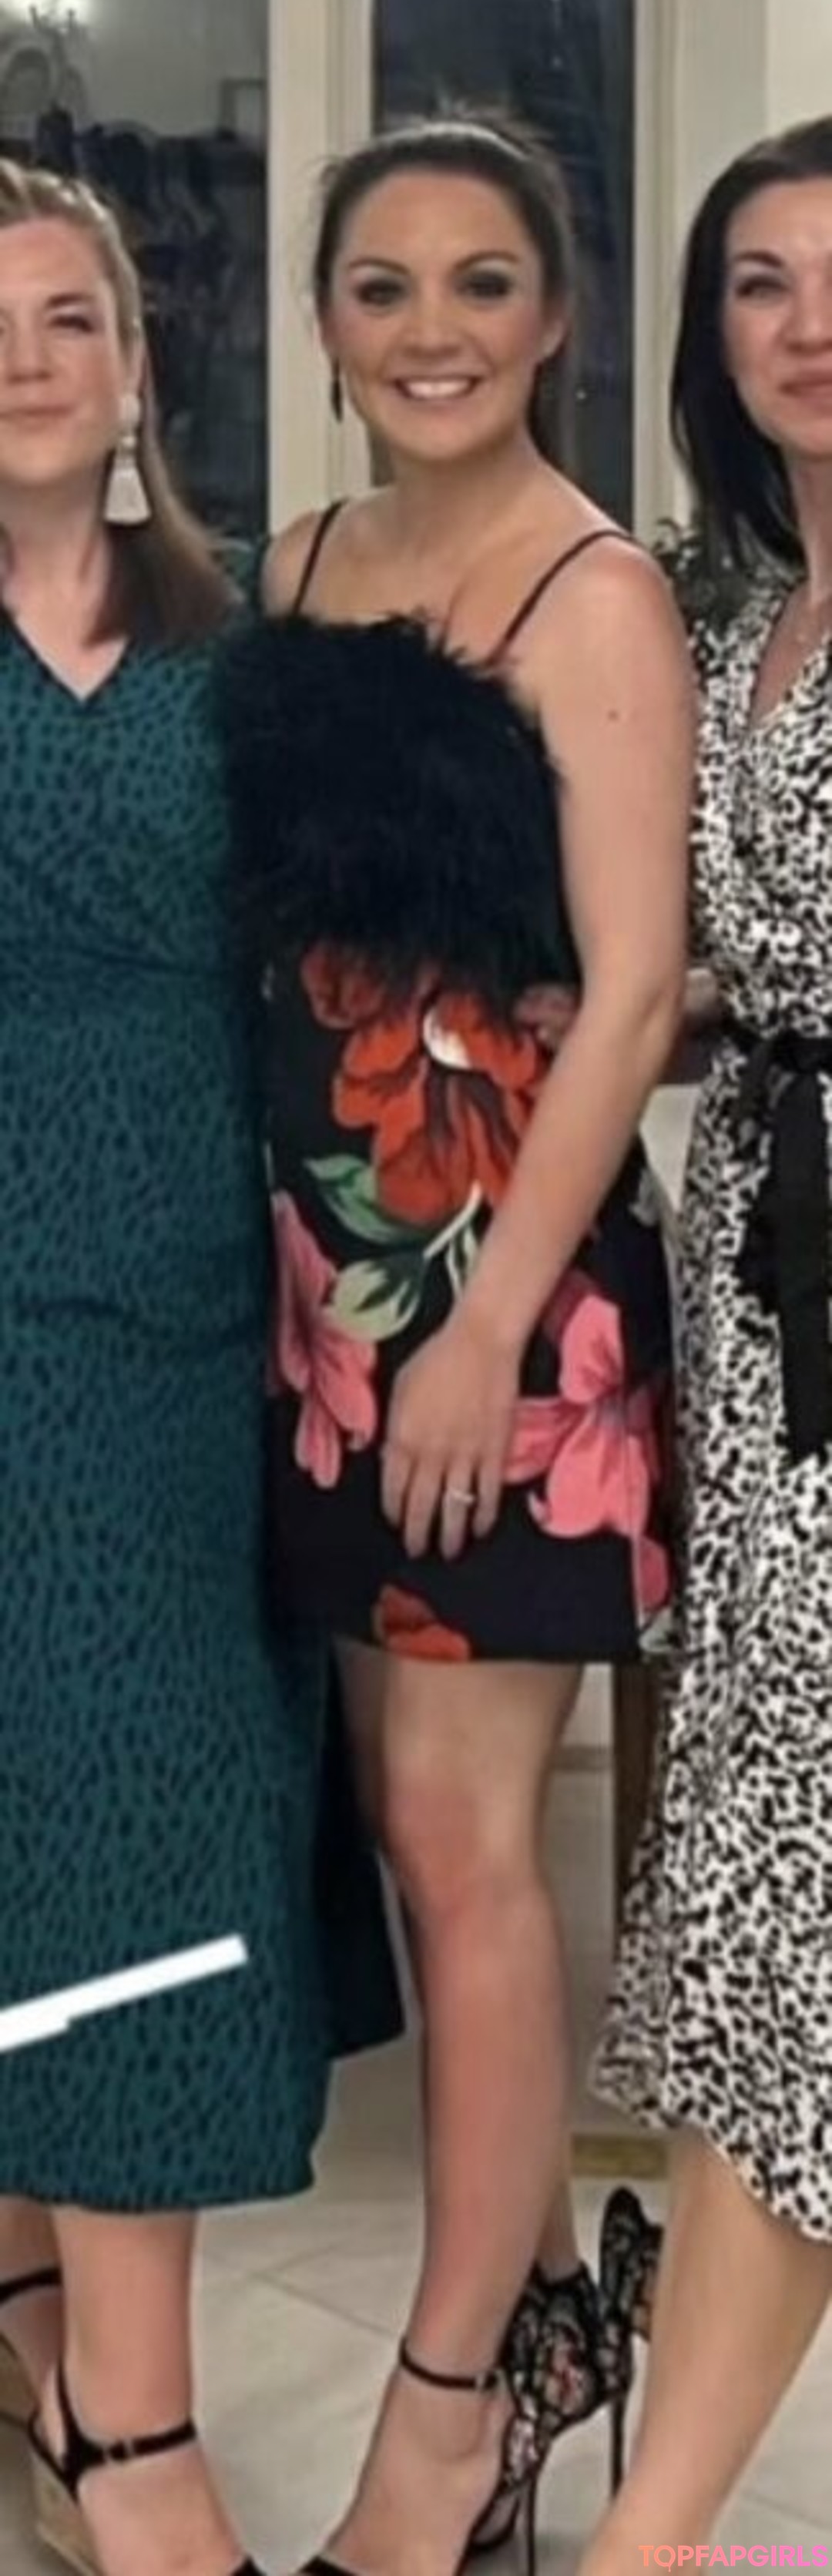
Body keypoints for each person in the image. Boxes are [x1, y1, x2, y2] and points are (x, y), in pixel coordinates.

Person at [216, 109, 693, 2576]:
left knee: (459, 1841)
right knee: (406, 1838)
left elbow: (631, 997)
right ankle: (525, 2346)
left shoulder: (597, 596)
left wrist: (486, 1327)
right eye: (383, 286)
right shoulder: (296, 567)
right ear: (322, 324)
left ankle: (455, 2411)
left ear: (558, 316)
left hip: (503, 1312)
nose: (432, 332)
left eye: (483, 283)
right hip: (321, 1309)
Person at [0, 157, 398, 2576]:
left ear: (140, 363)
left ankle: (104, 2393)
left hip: (180, 1344)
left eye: (69, 315)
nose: (26, 358)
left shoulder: (248, 662)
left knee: (148, 1819)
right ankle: (82, 2367)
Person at [577, 116, 832, 2572]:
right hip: (761, 1291)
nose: (810, 323)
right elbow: (714, 975)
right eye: (762, 281)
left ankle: (651, 2532)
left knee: (798, 1899)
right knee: (763, 1874)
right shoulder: (741, 611)